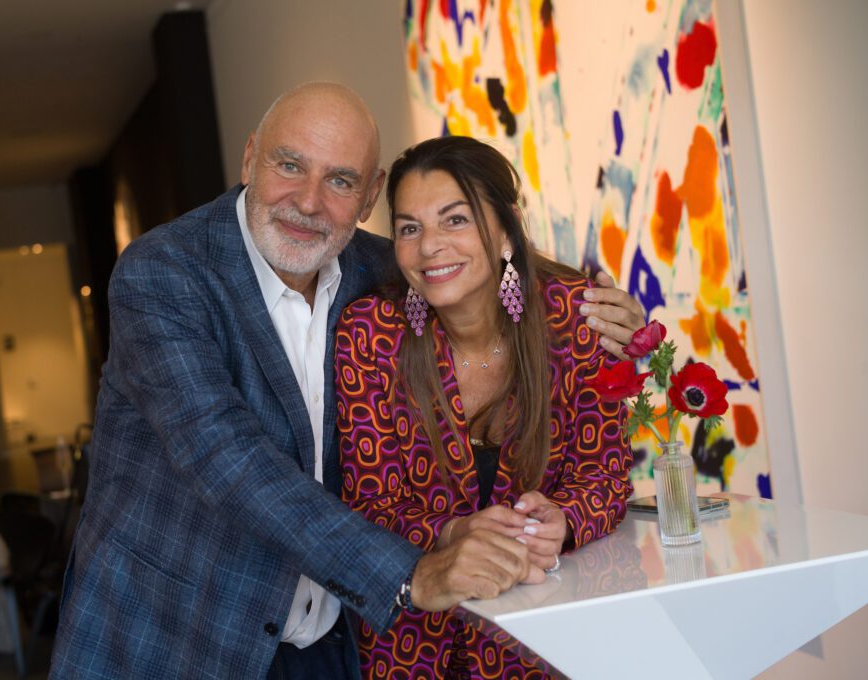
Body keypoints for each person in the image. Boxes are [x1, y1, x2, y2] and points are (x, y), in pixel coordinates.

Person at [51, 83, 642, 680]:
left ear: (368, 195)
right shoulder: (165, 273)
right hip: (176, 636)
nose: (308, 203)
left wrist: (609, 313)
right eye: (289, 165)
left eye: (339, 180)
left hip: (334, 642)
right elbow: (224, 457)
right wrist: (411, 575)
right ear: (249, 157)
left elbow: (476, 266)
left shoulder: (376, 268)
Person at [335, 136, 634, 678]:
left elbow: (606, 474)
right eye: (409, 228)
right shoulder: (370, 335)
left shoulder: (577, 318)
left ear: (505, 230)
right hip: (411, 647)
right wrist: (454, 534)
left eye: (455, 220)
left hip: (545, 639)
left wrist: (563, 520)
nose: (429, 247)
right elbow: (369, 504)